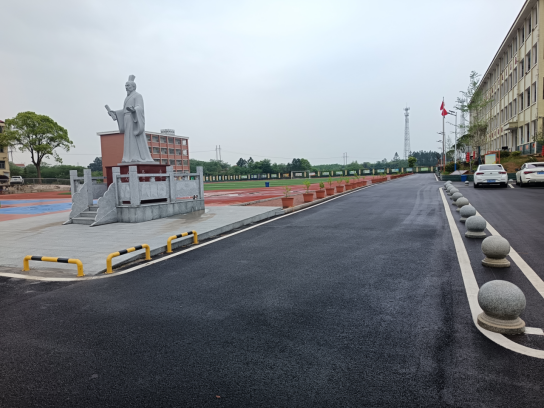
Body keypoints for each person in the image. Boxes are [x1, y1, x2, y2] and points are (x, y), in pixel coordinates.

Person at [106, 75, 154, 163]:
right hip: (127, 119)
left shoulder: (138, 96)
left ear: (133, 87)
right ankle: (128, 157)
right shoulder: (127, 98)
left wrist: (134, 110)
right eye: (125, 86)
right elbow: (125, 110)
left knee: (134, 137)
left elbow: (140, 107)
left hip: (134, 118)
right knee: (128, 138)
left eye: (128, 86)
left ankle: (137, 156)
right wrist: (115, 113)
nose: (126, 87)